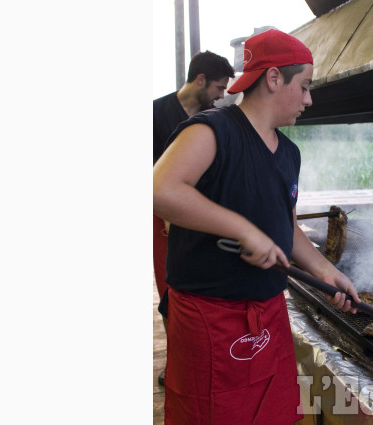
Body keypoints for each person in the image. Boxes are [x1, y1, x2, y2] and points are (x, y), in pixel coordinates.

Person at [153, 29, 361, 425]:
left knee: (275, 414)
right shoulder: (214, 130)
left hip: (267, 314)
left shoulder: (288, 153)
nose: (308, 99)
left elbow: (287, 228)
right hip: (210, 317)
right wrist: (242, 229)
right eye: (304, 86)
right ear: (274, 78)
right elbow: (160, 188)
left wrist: (327, 271)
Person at [153, 50, 235, 386]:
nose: (221, 95)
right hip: (162, 221)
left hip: (203, 220)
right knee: (169, 291)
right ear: (199, 80)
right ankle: (178, 364)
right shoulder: (156, 113)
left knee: (201, 295)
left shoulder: (213, 118)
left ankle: (203, 363)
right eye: (218, 87)